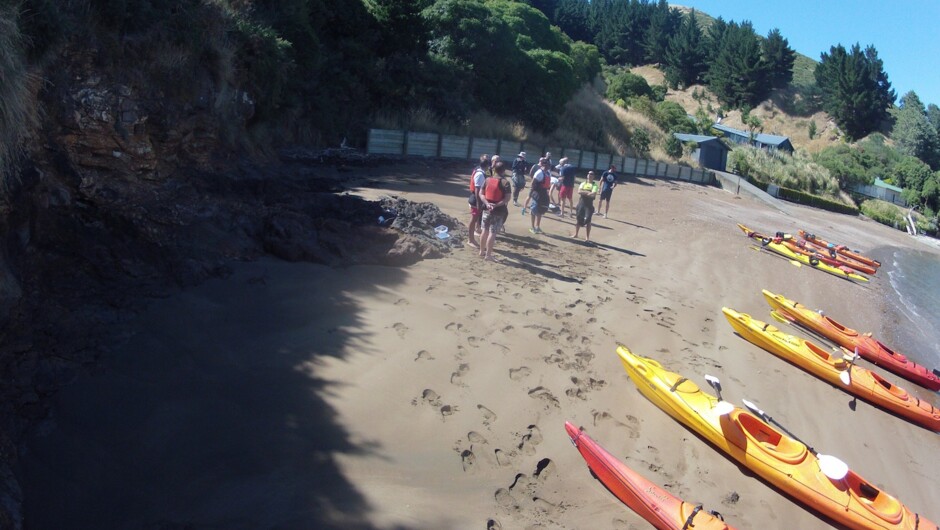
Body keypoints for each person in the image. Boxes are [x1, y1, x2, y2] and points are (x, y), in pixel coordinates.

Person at [478, 161, 512, 262]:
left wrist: (487, 204)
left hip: (486, 209)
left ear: (494, 169)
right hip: (498, 211)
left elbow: (481, 193)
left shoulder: (487, 180)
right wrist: (496, 205)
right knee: (492, 233)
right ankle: (488, 255)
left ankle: (481, 251)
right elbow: (507, 198)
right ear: (504, 170)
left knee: (484, 230)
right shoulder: (505, 182)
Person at [467, 155, 490, 248]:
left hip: (476, 200)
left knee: (475, 219)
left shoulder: (481, 171)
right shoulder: (480, 174)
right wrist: (478, 204)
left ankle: (472, 237)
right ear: (487, 165)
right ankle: (470, 240)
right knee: (473, 220)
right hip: (475, 200)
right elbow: (477, 190)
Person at [571, 170, 599, 241]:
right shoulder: (583, 183)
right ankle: (576, 234)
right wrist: (588, 192)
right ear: (587, 175)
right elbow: (579, 191)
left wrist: (585, 192)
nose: (590, 175)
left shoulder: (594, 185)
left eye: (591, 174)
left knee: (588, 221)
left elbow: (594, 193)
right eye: (589, 174)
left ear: (593, 176)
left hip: (589, 205)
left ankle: (587, 237)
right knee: (578, 219)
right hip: (581, 203)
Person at [527, 158, 551, 234]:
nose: (549, 166)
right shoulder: (539, 173)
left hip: (543, 193)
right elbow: (533, 183)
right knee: (533, 210)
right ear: (544, 165)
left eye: (549, 164)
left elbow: (548, 184)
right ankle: (533, 227)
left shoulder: (548, 173)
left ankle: (537, 226)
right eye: (548, 164)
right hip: (537, 193)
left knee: (540, 210)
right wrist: (531, 193)